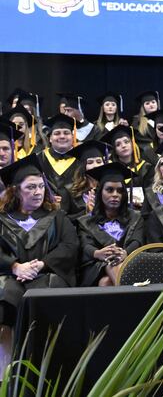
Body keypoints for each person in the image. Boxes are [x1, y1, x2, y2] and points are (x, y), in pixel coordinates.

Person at [0, 156, 79, 366]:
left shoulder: (56, 216)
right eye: (31, 187)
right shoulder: (2, 219)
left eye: (41, 186)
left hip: (46, 275)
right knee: (5, 294)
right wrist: (15, 266)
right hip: (10, 277)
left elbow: (70, 246)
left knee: (46, 292)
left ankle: (50, 364)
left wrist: (41, 264)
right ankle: (6, 370)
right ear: (16, 191)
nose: (38, 192)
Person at [76, 163, 144, 286]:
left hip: (129, 261)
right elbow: (85, 245)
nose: (115, 194)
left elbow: (137, 241)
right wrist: (98, 253)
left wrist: (125, 253)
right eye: (109, 190)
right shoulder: (86, 221)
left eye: (119, 191)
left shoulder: (135, 216)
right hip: (96, 265)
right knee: (112, 265)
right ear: (100, 192)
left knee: (106, 282)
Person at [100, 125, 154, 199]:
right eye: (118, 144)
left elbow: (151, 193)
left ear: (132, 144)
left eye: (126, 142)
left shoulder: (146, 168)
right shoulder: (111, 170)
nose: (123, 146)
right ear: (114, 150)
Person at [64, 140, 109, 218]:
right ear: (83, 167)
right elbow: (64, 221)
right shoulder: (70, 192)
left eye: (99, 161)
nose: (95, 166)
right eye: (90, 162)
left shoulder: (111, 189)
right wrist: (86, 212)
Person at [37, 113, 78, 199]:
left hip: (78, 210)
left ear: (72, 137)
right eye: (57, 133)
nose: (62, 136)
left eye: (66, 133)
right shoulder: (39, 159)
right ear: (50, 138)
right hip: (46, 208)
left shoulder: (81, 159)